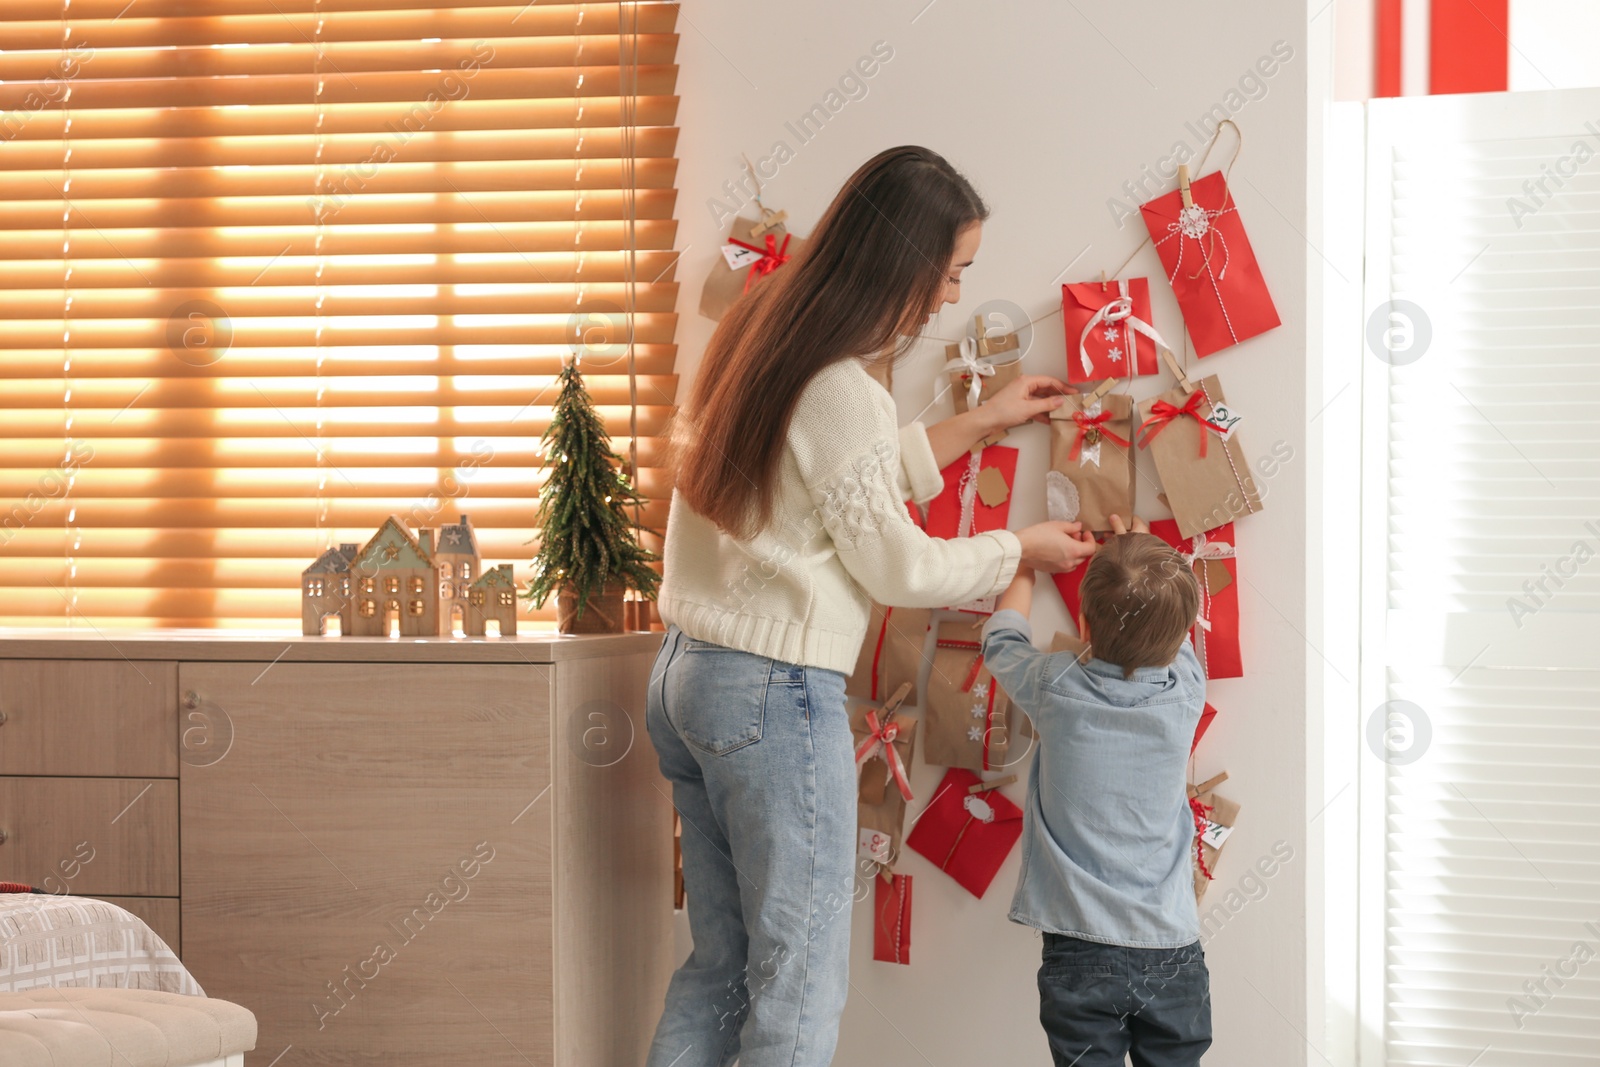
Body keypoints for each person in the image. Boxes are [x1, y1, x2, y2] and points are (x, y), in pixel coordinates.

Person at [645, 145, 1097, 1067]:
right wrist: (1019, 547)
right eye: (954, 273)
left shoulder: (764, 327)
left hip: (688, 676)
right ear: (907, 264)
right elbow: (899, 566)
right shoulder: (843, 386)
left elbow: (833, 484)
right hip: (771, 695)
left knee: (722, 966)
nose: (952, 298)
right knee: (801, 984)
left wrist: (983, 419)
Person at [981, 514, 1212, 1067]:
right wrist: (1140, 545)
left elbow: (1002, 643)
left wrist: (1025, 561)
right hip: (1172, 950)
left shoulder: (1054, 685)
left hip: (1079, 950)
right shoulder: (1187, 692)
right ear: (1182, 634)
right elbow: (1175, 632)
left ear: (1082, 625)